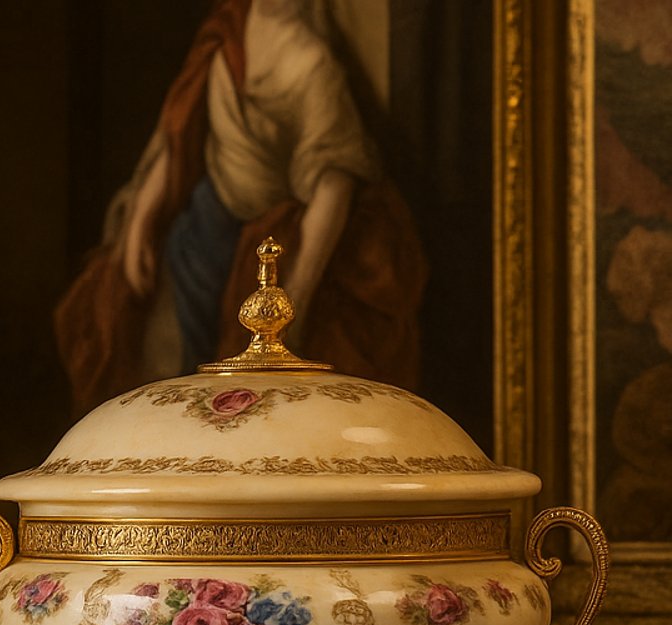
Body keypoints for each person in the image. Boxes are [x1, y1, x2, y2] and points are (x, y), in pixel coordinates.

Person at [55, 0, 426, 414]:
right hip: (197, 232)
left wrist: (296, 296)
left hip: (268, 241)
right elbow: (184, 136)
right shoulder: (227, 32)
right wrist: (140, 220)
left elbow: (332, 188)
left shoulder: (312, 62)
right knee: (125, 323)